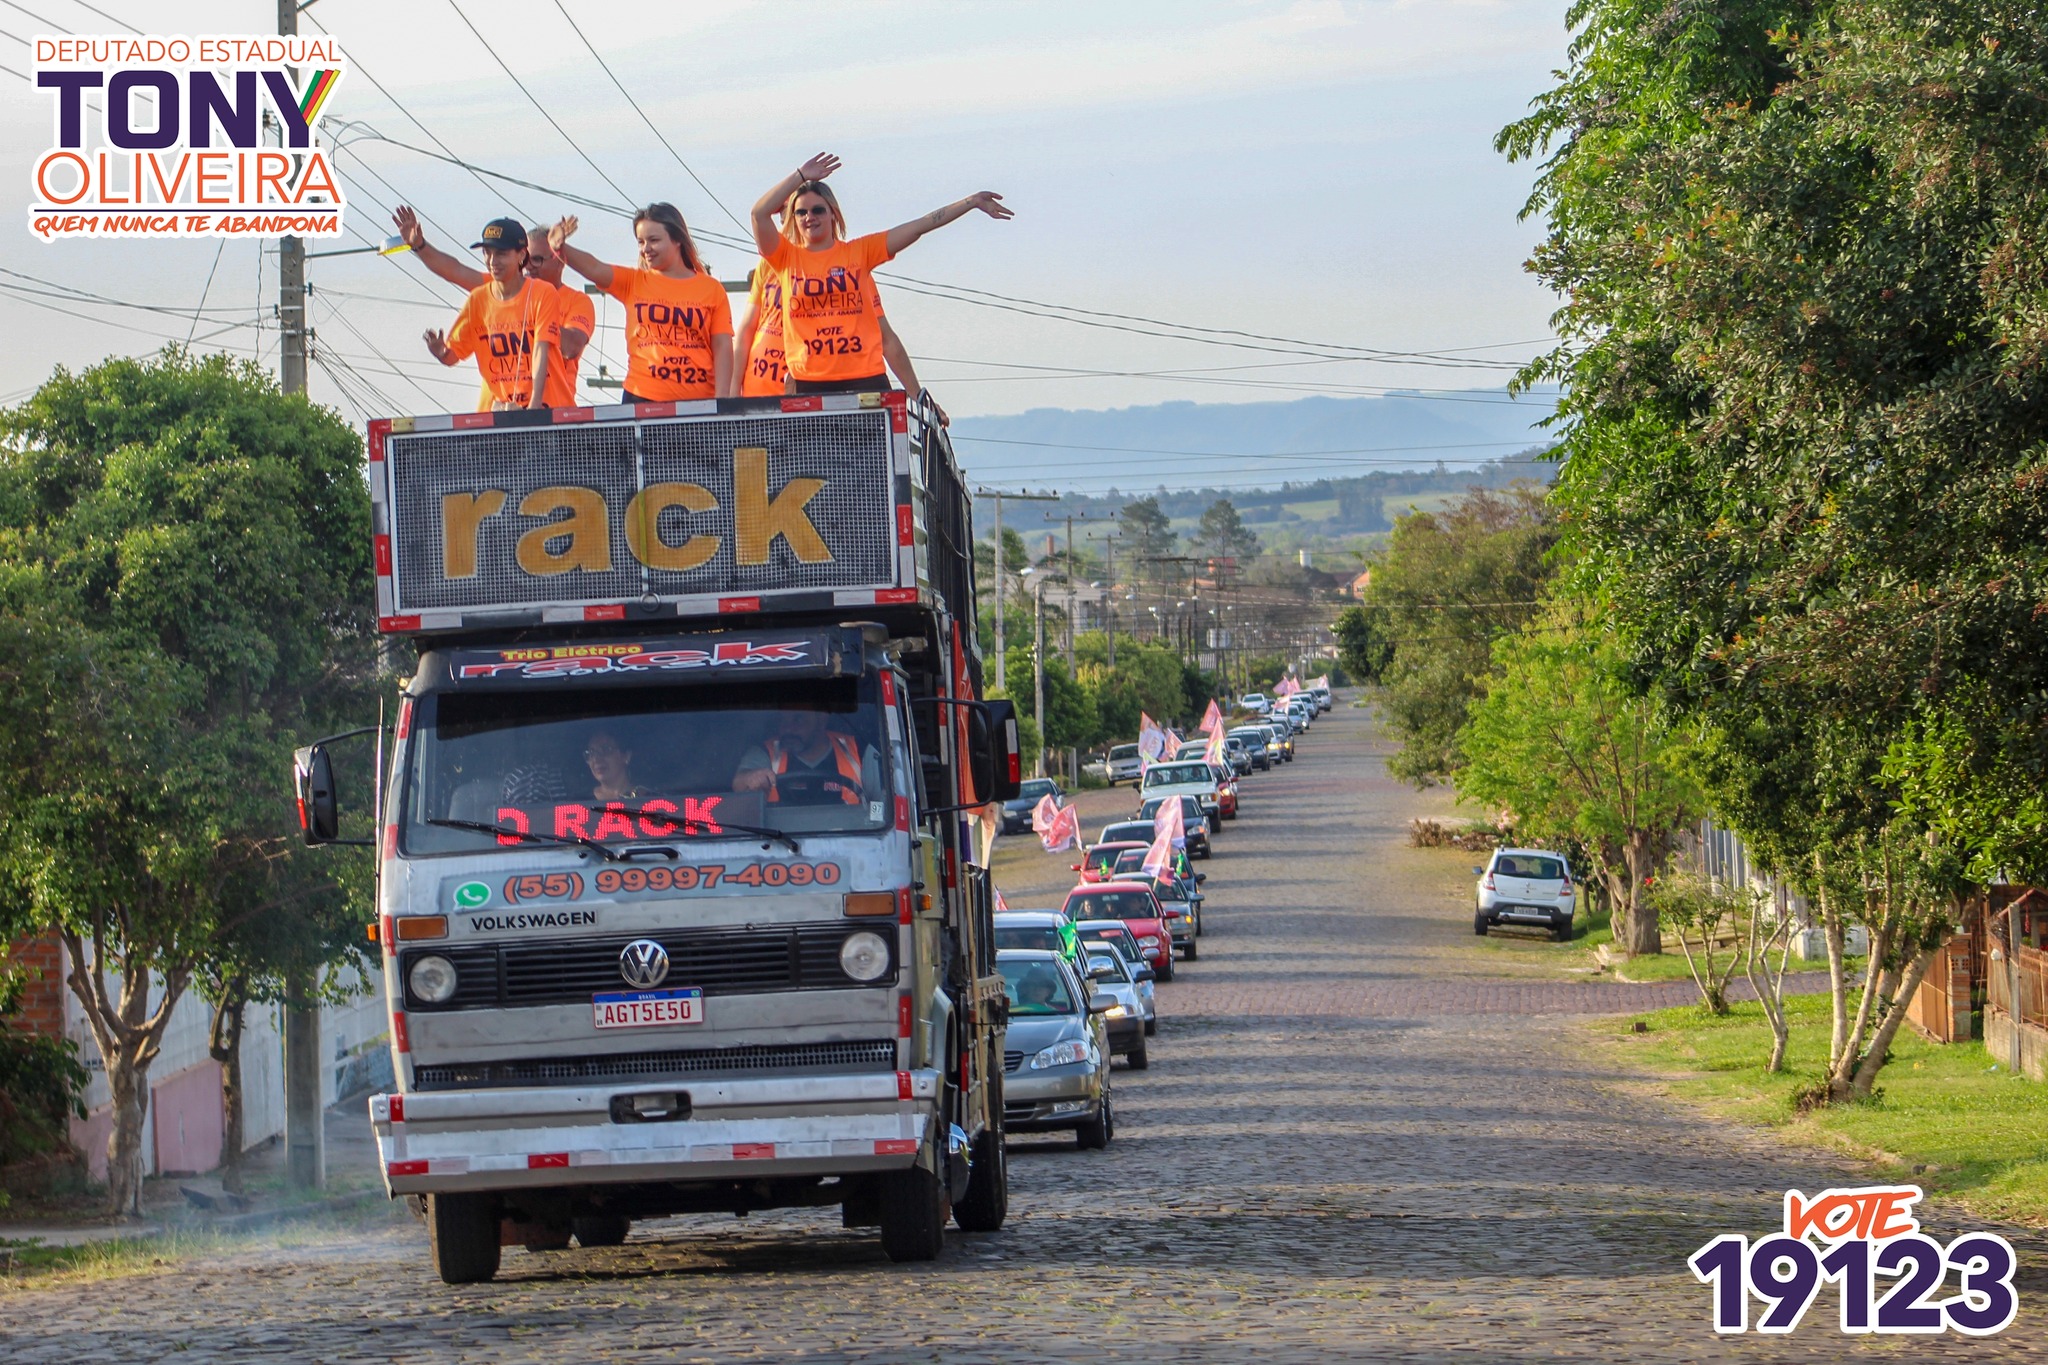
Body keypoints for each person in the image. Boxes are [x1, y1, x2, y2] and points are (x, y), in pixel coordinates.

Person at [748, 153, 1011, 395]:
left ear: (832, 214)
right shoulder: (784, 258)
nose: (809, 217)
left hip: (865, 380)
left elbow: (920, 226)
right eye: (801, 212)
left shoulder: (859, 252)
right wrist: (801, 176)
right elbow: (759, 213)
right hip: (809, 384)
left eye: (818, 210)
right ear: (793, 218)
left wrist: (971, 202)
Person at [393, 205, 593, 408]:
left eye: (538, 259)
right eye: (487, 253)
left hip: (550, 412)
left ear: (560, 261)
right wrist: (419, 246)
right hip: (496, 415)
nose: (529, 266)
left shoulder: (572, 300)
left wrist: (530, 315)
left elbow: (571, 348)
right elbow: (455, 271)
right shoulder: (489, 292)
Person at [548, 204, 732, 403]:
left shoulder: (711, 288)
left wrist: (722, 401)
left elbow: (722, 346)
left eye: (654, 240)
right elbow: (594, 267)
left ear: (677, 239)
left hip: (698, 403)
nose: (646, 249)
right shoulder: (633, 282)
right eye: (640, 242)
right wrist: (559, 248)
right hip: (642, 399)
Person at [422, 218, 556, 410]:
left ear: (521, 255)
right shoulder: (478, 299)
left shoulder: (542, 293)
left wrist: (534, 409)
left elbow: (540, 350)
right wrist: (440, 352)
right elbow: (452, 356)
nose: (492, 261)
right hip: (499, 417)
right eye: (487, 253)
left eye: (501, 254)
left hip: (545, 412)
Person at [732, 708, 873, 806]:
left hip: (853, 839)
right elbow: (739, 784)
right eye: (782, 721)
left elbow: (882, 804)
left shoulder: (858, 750)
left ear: (822, 720)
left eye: (798, 720)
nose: (787, 729)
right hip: (778, 840)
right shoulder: (765, 751)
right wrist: (752, 778)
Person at [583, 728, 643, 803]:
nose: (596, 759)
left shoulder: (647, 799)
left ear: (626, 756)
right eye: (591, 753)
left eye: (605, 750)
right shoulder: (579, 803)